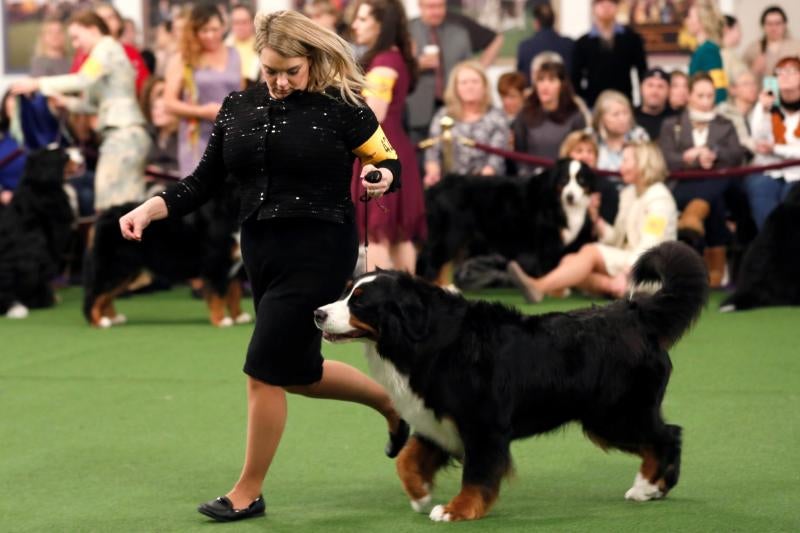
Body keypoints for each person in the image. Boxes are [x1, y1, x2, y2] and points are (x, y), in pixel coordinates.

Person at [117, 10, 407, 522]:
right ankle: (391, 405)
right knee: (297, 373)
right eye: (269, 69)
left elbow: (387, 161)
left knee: (263, 368)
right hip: (261, 250)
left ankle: (247, 491)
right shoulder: (237, 107)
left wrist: (381, 177)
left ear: (313, 61)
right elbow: (201, 182)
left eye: (290, 70)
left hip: (320, 248)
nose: (278, 81)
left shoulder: (344, 107)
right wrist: (150, 208)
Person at [9, 11, 150, 212]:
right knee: (126, 208)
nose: (74, 44)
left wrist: (37, 83)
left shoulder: (106, 48)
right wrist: (65, 101)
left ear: (92, 29)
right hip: (122, 135)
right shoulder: (107, 53)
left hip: (124, 135)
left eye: (76, 37)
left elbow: (82, 80)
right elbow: (93, 106)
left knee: (111, 208)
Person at [507, 141, 677, 302]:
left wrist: (626, 274)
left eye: (626, 161)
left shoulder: (658, 198)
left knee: (590, 252)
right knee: (569, 263)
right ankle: (615, 288)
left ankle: (538, 286)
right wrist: (596, 219)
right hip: (629, 259)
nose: (620, 167)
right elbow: (616, 238)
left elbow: (649, 246)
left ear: (642, 163)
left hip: (650, 269)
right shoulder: (629, 193)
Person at [349, 0, 427, 272]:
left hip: (379, 151)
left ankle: (376, 309)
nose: (355, 25)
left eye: (362, 19)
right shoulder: (395, 57)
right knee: (396, 235)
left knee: (378, 232)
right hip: (393, 148)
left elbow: (374, 115)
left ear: (380, 25)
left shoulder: (383, 62)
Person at [659, 73, 746, 287]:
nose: (706, 102)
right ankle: (715, 267)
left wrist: (712, 153)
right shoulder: (671, 124)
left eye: (710, 96)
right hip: (682, 185)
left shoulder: (725, 124)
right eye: (701, 96)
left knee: (717, 183)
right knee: (713, 198)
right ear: (688, 95)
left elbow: (737, 155)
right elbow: (666, 158)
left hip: (718, 181)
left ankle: (693, 216)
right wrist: (690, 158)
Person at [164, 4, 242, 178]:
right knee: (199, 193)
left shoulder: (235, 54)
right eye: (204, 30)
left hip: (230, 136)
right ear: (194, 32)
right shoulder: (184, 58)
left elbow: (242, 93)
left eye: (214, 29)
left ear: (223, 27)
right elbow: (168, 102)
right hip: (197, 138)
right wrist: (202, 112)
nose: (210, 35)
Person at [424, 60, 508, 184]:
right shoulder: (443, 115)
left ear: (485, 86)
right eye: (464, 82)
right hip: (450, 185)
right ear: (455, 88)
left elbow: (497, 158)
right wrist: (433, 173)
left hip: (487, 185)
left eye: (475, 81)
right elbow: (432, 153)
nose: (470, 87)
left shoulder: (497, 116)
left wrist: (476, 183)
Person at [405, 0, 473, 145]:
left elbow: (469, 68)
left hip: (453, 107)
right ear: (420, 6)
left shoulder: (460, 33)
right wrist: (417, 64)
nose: (436, 11)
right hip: (416, 110)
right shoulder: (406, 31)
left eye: (440, 6)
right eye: (430, 7)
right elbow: (395, 68)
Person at [746, 55, 800, 230]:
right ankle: (770, 246)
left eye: (791, 71)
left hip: (797, 173)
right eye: (780, 72)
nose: (784, 75)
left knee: (791, 199)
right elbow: (759, 139)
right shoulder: (768, 105)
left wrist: (776, 149)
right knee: (761, 192)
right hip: (769, 170)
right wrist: (763, 109)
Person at [512, 59, 586, 175]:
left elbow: (580, 153)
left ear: (562, 85)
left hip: (565, 179)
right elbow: (519, 154)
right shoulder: (524, 114)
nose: (545, 86)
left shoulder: (575, 115)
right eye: (541, 80)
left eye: (551, 80)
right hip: (532, 179)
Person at [571, 0, 647, 108]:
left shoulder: (632, 39)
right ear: (593, 7)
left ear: (617, 7)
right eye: (601, 3)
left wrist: (642, 102)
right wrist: (583, 102)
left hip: (624, 103)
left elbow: (642, 72)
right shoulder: (582, 43)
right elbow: (575, 78)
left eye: (611, 2)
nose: (606, 7)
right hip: (593, 105)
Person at [516, 3, 574, 84]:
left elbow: (521, 79)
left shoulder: (525, 46)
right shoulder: (569, 44)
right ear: (553, 21)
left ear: (536, 23)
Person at [593, 89, 649, 172]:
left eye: (626, 113)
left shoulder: (639, 135)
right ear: (601, 118)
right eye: (616, 114)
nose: (623, 119)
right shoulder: (590, 137)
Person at [742, 6, 800, 85]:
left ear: (785, 25)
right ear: (763, 26)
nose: (773, 28)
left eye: (778, 23)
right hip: (762, 93)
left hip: (791, 94)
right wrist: (754, 70)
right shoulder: (753, 48)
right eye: (769, 24)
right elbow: (742, 78)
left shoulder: (796, 47)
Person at [685, 0, 727, 104]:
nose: (687, 21)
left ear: (702, 21)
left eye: (690, 17)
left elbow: (719, 90)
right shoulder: (701, 48)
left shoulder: (709, 50)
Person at [716, 69, 759, 157]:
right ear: (732, 89)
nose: (752, 88)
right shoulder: (723, 113)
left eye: (754, 83)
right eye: (746, 84)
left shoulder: (759, 112)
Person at [634, 67, 675, 140]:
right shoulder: (630, 117)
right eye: (650, 85)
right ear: (641, 88)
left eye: (660, 86)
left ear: (669, 91)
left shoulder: (677, 118)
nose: (654, 91)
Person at [226, 4, 261, 85]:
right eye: (236, 23)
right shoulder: (224, 46)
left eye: (244, 22)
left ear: (252, 22)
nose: (240, 27)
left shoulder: (262, 46)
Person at [721, 15, 747, 91]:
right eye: (738, 30)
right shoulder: (723, 54)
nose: (741, 34)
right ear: (726, 29)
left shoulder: (731, 53)